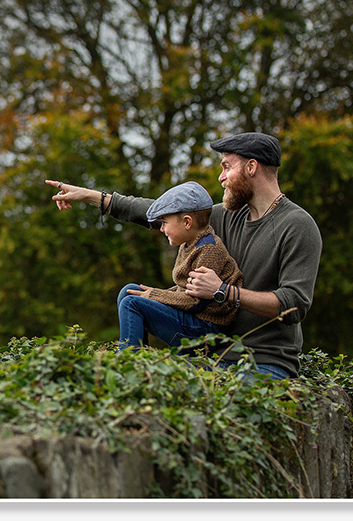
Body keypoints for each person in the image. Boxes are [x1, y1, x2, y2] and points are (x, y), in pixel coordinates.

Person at [46, 132, 322, 379]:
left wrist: (224, 291)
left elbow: (294, 304)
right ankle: (128, 366)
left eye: (227, 167)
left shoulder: (297, 225)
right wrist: (96, 197)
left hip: (263, 364)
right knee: (135, 314)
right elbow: (164, 213)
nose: (221, 177)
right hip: (211, 354)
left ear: (251, 167)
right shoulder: (225, 216)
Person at [113, 180, 243, 350]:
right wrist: (155, 294)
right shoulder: (189, 243)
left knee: (132, 303)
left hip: (207, 330)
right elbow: (184, 289)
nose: (161, 229)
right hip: (194, 318)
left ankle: (127, 358)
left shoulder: (209, 250)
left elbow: (196, 302)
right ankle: (138, 351)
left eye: (165, 222)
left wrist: (155, 296)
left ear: (187, 222)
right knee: (128, 291)